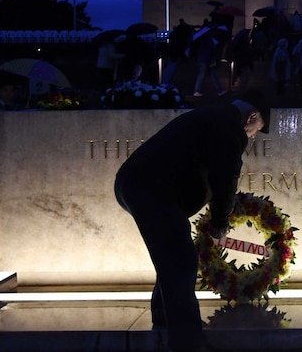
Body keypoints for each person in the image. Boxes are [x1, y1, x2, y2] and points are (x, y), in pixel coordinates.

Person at [114, 90, 270, 352]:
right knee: (181, 259)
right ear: (251, 116)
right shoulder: (229, 128)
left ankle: (164, 319)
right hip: (150, 189)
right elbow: (226, 179)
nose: (252, 136)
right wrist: (220, 222)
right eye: (256, 130)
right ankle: (187, 341)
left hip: (140, 185)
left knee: (172, 254)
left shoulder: (214, 117)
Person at [192, 26, 227, 98]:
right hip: (206, 59)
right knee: (206, 74)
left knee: (205, 74)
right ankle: (197, 90)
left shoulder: (201, 38)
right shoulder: (208, 38)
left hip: (203, 58)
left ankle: (219, 90)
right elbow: (214, 47)